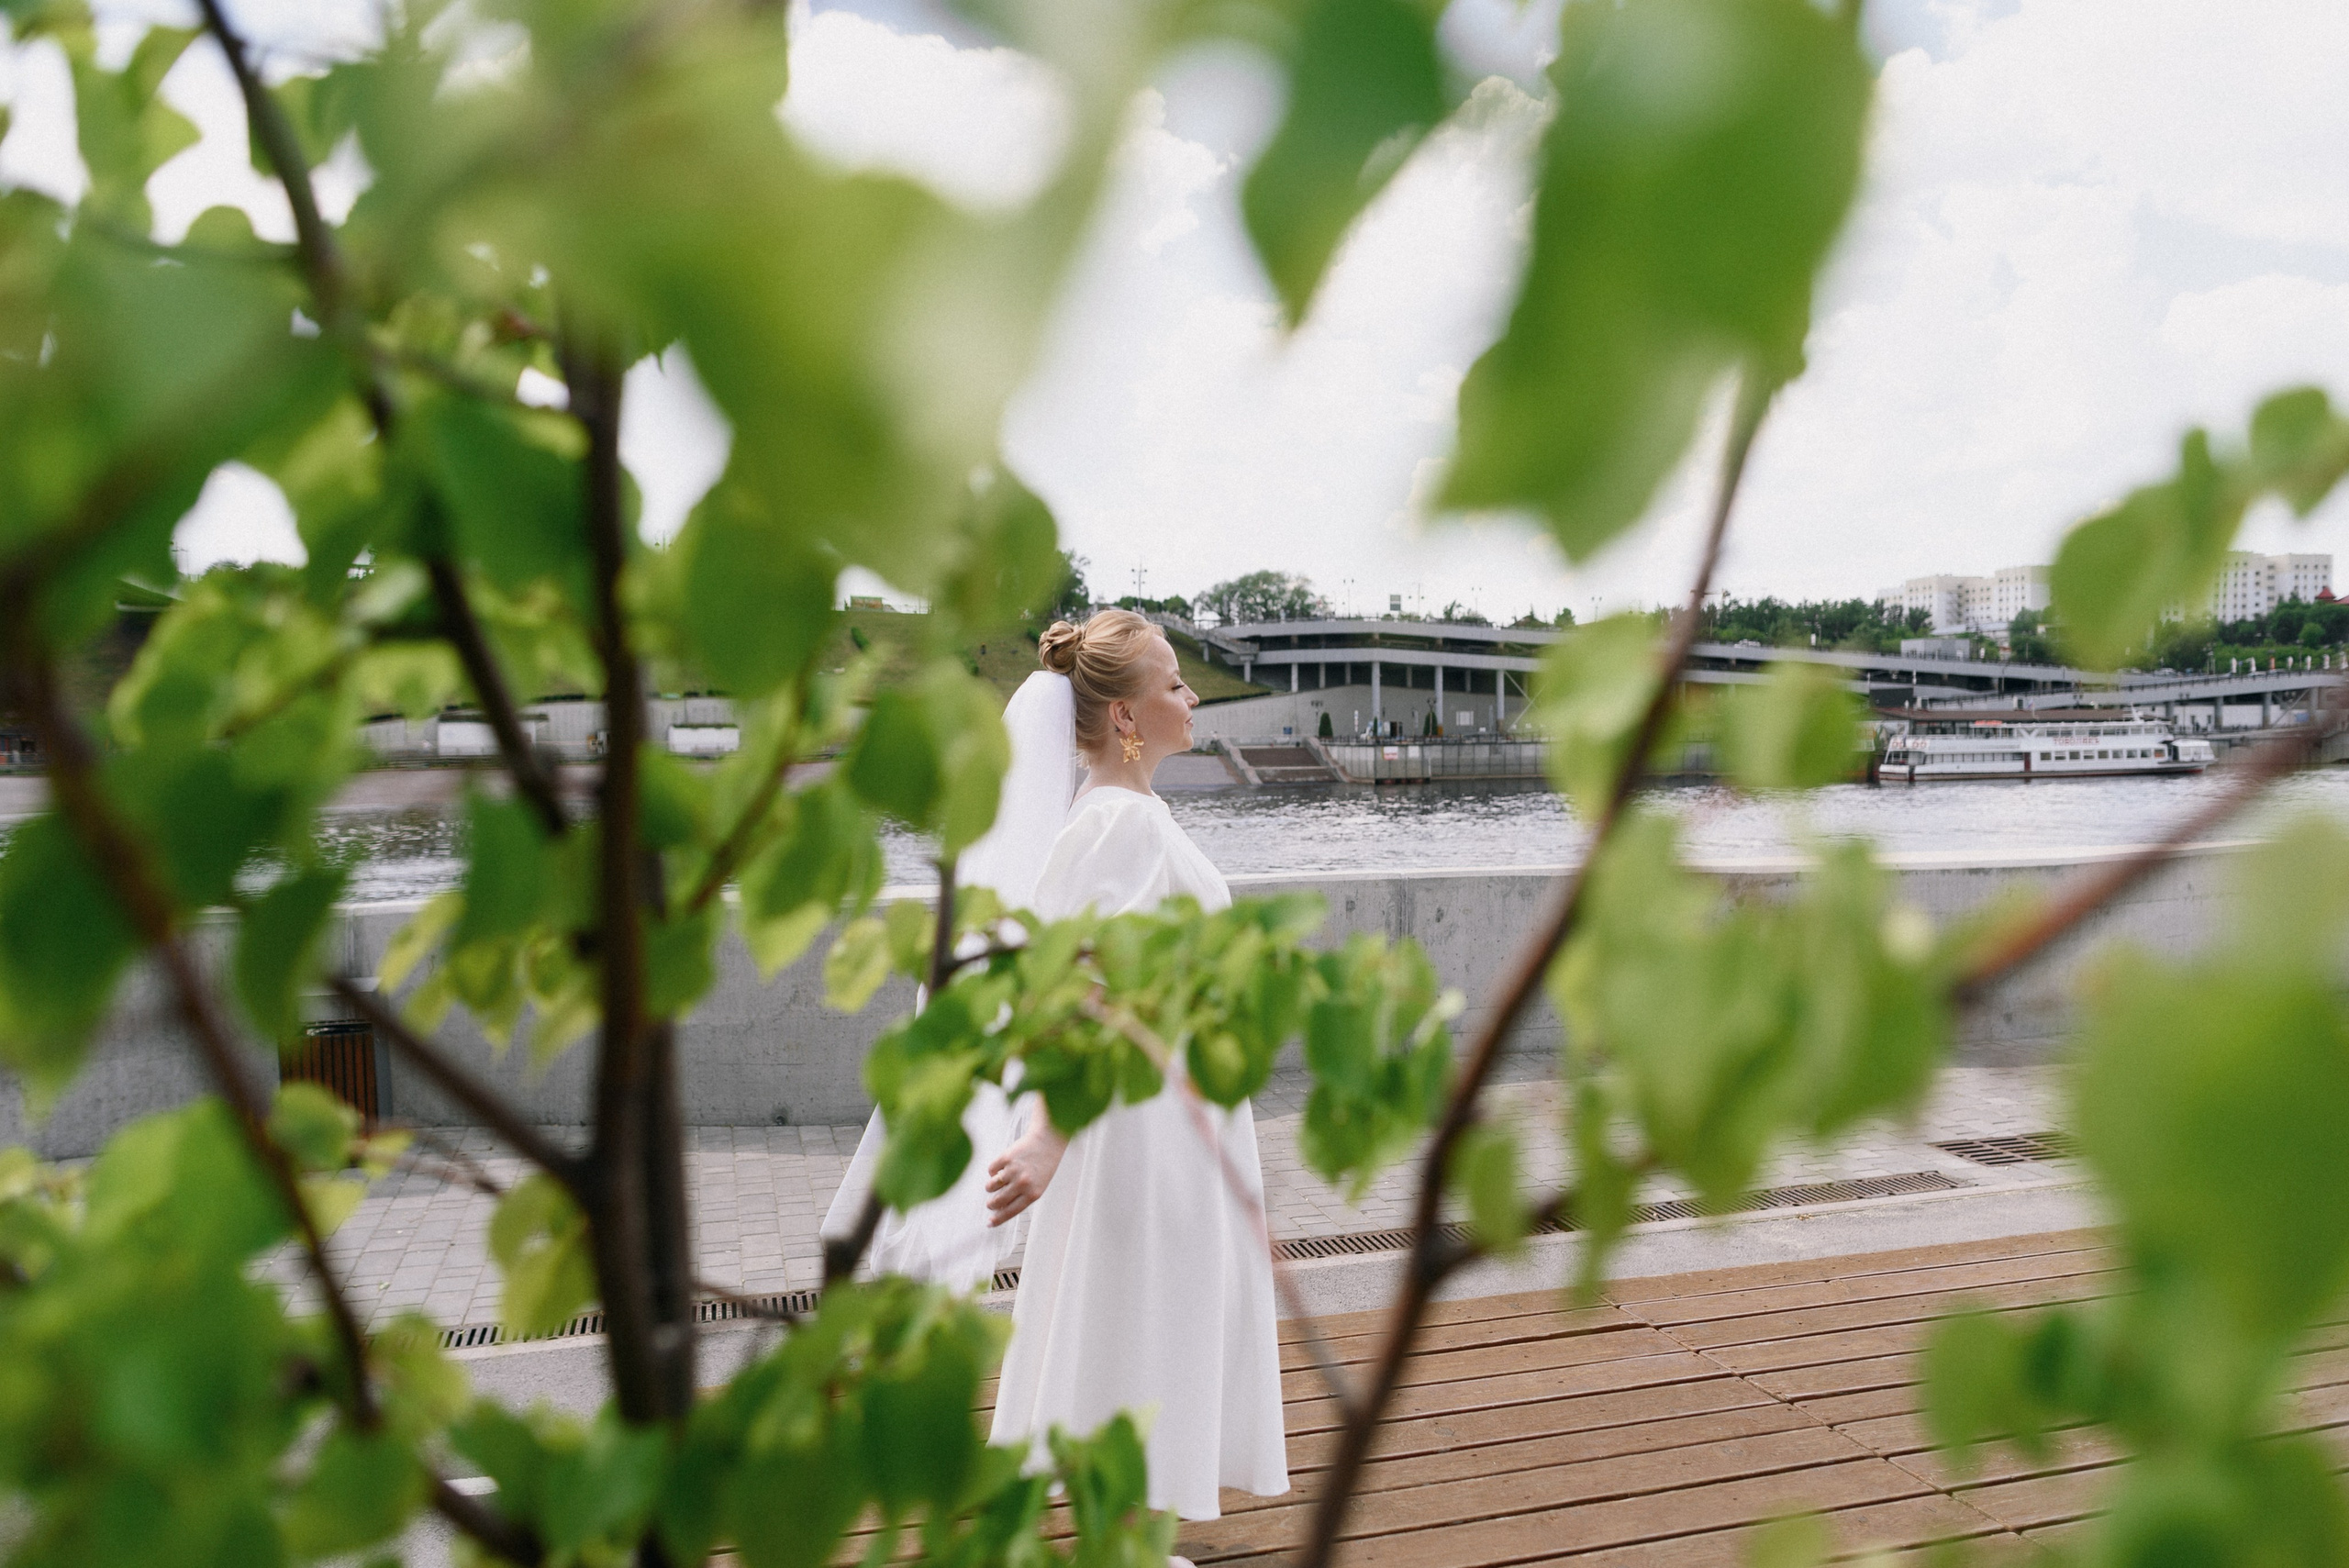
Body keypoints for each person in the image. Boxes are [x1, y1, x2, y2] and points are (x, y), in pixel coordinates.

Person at [984, 611, 1288, 1531]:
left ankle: (1127, 1534)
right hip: (1142, 1125)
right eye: (1172, 684)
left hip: (1163, 1115)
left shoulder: (1130, 815)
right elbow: (1072, 990)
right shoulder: (1123, 826)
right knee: (1147, 1315)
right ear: (1123, 716)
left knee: (1139, 1315)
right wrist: (1045, 1137)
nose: (1192, 696)